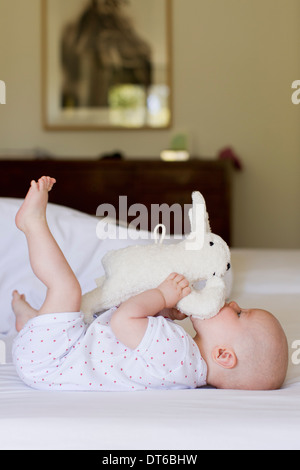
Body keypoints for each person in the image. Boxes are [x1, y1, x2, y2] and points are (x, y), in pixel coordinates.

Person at [12, 177, 288, 392]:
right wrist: (164, 312)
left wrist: (161, 295)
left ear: (224, 355)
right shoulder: (185, 366)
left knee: (66, 290)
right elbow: (137, 339)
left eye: (240, 314)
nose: (235, 304)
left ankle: (32, 223)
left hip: (54, 356)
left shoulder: (180, 356)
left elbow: (124, 320)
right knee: (72, 312)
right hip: (53, 356)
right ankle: (31, 321)